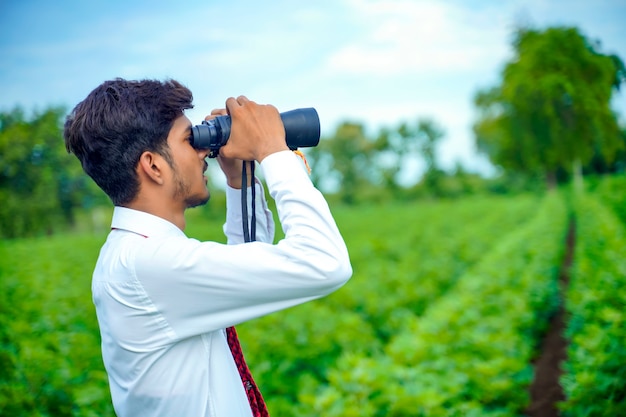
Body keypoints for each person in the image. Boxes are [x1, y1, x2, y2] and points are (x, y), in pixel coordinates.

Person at [63, 78, 352, 417]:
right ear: (153, 165)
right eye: (191, 139)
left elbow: (250, 267)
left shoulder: (139, 255)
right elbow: (324, 263)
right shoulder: (147, 264)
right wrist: (272, 150)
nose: (205, 151)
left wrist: (240, 180)